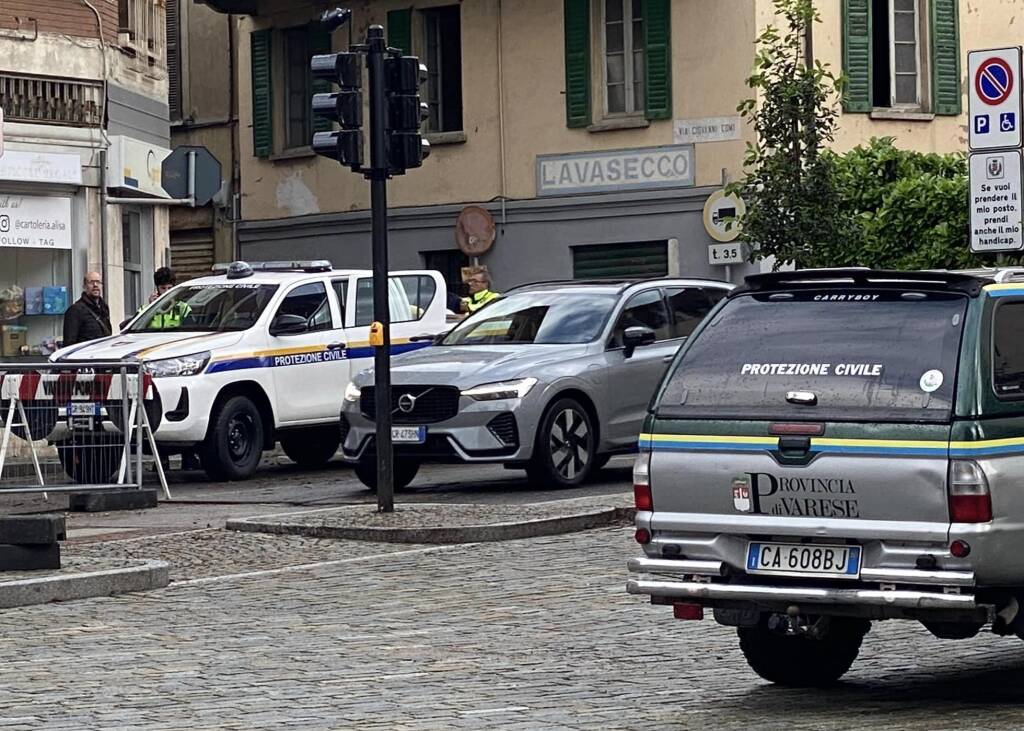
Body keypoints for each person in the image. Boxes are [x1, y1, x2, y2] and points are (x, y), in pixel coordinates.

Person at [62, 271, 112, 346]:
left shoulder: (104, 308)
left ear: (101, 285)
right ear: (85, 286)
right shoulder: (75, 310)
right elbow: (69, 344)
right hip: (85, 355)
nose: (95, 285)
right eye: (91, 282)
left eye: (98, 282)